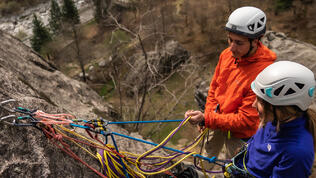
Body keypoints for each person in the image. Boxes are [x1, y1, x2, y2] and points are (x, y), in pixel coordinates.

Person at [185, 6, 277, 164]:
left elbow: (246, 119)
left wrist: (207, 119)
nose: (232, 47)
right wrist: (207, 117)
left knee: (236, 169)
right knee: (205, 161)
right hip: (217, 120)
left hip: (241, 133)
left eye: (239, 43)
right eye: (230, 40)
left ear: (256, 40)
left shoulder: (264, 72)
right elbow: (214, 87)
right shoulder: (227, 55)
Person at [226, 60, 316, 177]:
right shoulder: (275, 121)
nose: (253, 105)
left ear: (281, 107)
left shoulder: (296, 153)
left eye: (260, 101)